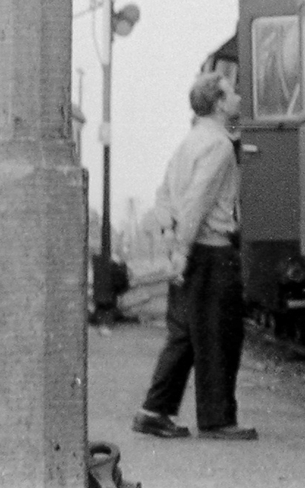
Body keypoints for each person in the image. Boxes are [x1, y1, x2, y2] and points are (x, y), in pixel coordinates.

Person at [133, 72, 256, 441]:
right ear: (218, 103)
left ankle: (154, 411)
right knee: (220, 335)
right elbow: (197, 200)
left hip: (188, 248)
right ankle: (218, 420)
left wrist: (172, 240)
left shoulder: (188, 143)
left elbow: (164, 195)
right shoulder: (219, 145)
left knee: (184, 334)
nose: (237, 97)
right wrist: (184, 250)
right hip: (211, 252)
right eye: (231, 92)